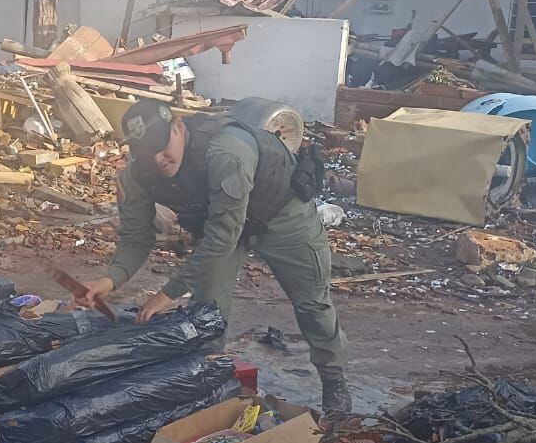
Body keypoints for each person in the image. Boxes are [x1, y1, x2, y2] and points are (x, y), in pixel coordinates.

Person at [78, 101, 352, 415]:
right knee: (206, 311)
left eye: (161, 144)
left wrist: (167, 294)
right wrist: (110, 278)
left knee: (312, 303)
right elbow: (137, 237)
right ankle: (207, 381)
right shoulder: (137, 175)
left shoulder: (226, 151)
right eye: (145, 151)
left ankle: (334, 381)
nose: (158, 158)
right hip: (219, 222)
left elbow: (225, 235)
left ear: (178, 127)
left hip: (280, 212)